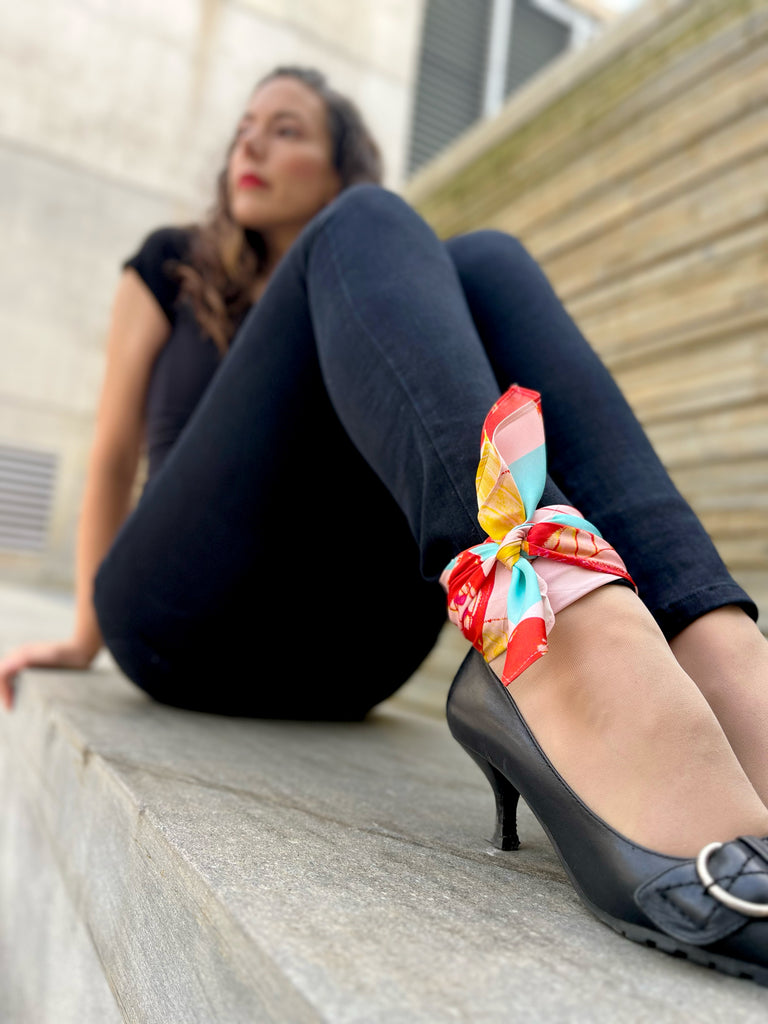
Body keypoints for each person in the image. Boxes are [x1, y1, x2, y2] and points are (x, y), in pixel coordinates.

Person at [2, 65, 768, 982]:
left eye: (285, 129)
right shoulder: (173, 263)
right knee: (373, 228)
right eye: (244, 127)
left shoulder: (401, 286)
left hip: (352, 650)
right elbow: (113, 446)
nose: (248, 142)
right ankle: (568, 641)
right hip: (189, 610)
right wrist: (84, 633)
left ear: (337, 162)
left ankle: (722, 664)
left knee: (486, 258)